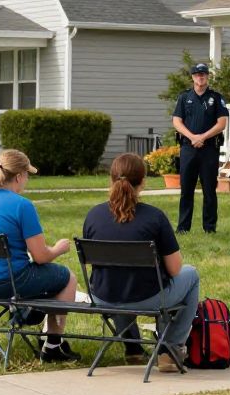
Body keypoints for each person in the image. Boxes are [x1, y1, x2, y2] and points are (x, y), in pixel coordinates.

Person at [82, 152, 200, 373]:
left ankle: (133, 349)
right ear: (143, 181)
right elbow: (175, 269)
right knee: (190, 274)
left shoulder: (93, 215)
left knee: (119, 279)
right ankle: (170, 350)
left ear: (111, 179)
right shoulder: (154, 217)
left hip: (103, 296)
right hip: (147, 298)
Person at [0, 149, 81, 363]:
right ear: (18, 176)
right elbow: (41, 257)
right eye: (27, 175)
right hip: (8, 283)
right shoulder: (22, 205)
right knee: (67, 278)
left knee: (35, 275)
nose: (27, 181)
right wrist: (59, 248)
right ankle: (53, 345)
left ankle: (30, 312)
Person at [171, 62, 229, 233]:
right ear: (192, 77)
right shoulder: (184, 97)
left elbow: (222, 123)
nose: (200, 77)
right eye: (197, 74)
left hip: (209, 149)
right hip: (188, 148)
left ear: (207, 77)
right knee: (186, 190)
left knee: (209, 190)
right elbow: (176, 121)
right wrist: (192, 137)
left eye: (203, 74)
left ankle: (209, 228)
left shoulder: (216, 98)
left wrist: (202, 137)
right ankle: (183, 228)